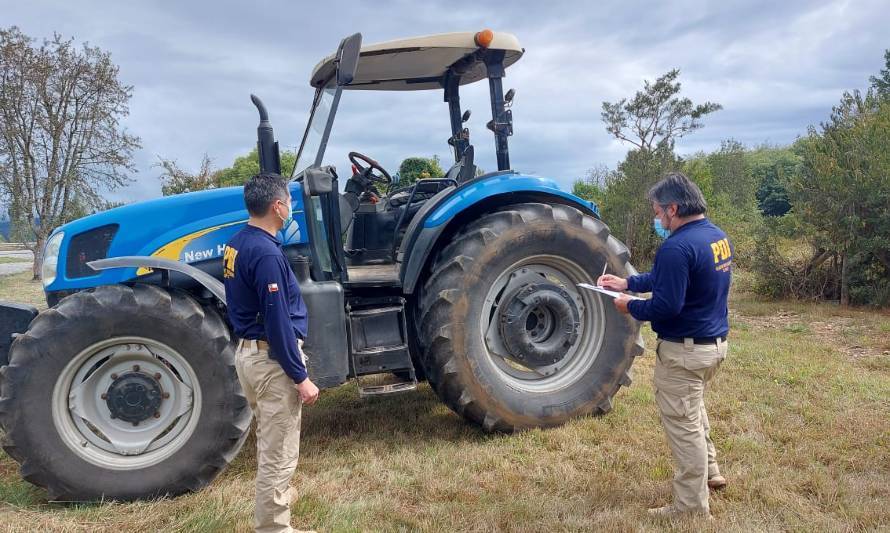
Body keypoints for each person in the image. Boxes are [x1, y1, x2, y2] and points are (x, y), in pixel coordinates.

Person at [598, 172, 732, 518]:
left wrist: (631, 305)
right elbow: (668, 277)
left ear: (673, 208)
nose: (657, 219)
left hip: (685, 351)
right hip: (713, 347)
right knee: (693, 409)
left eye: (658, 212)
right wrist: (629, 281)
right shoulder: (715, 238)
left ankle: (690, 508)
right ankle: (712, 471)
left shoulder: (676, 246)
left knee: (683, 426)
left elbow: (666, 304)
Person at [223, 172, 320, 533]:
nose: (291, 208)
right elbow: (278, 320)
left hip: (249, 357)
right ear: (277, 207)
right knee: (278, 455)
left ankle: (276, 501)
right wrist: (301, 377)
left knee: (269, 442)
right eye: (289, 202)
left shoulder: (237, 243)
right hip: (270, 362)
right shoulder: (266, 254)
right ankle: (274, 528)